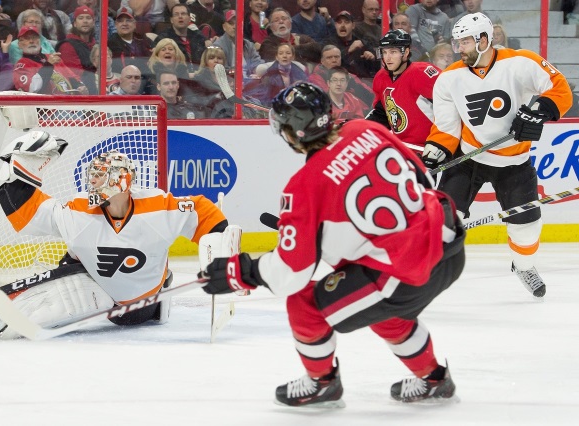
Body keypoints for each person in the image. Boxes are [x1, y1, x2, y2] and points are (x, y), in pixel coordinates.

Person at [198, 82, 465, 407]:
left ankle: (322, 382)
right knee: (380, 310)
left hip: (408, 275)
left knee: (305, 300)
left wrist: (244, 270)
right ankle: (435, 379)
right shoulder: (365, 127)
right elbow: (421, 177)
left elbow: (290, 274)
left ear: (293, 135)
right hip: (448, 242)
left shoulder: (305, 187)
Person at [0, 133, 234, 339]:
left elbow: (202, 210)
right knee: (75, 286)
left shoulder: (159, 208)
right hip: (91, 280)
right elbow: (30, 213)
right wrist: (16, 167)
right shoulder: (80, 211)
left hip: (140, 307)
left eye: (102, 180)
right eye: (94, 179)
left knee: (109, 302)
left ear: (123, 182)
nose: (95, 186)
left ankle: (163, 284)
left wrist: (222, 252)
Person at [422, 13, 573, 297]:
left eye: (465, 41)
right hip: (468, 159)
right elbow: (446, 126)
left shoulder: (520, 62)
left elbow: (559, 87)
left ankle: (524, 265)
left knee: (527, 227)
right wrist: (437, 149)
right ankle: (429, 269)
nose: (460, 48)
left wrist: (540, 109)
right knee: (444, 217)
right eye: (457, 43)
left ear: (483, 39)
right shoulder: (449, 78)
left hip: (514, 161)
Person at [366, 29, 440, 152]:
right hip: (402, 148)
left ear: (405, 52)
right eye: (384, 52)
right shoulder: (380, 77)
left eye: (393, 52)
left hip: (430, 148)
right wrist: (361, 129)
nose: (387, 57)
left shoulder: (422, 73)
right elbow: (382, 113)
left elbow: (450, 108)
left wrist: (441, 143)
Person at [13, 25, 88, 94]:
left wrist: (80, 86)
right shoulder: (21, 65)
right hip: (45, 106)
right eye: (27, 38)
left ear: (40, 41)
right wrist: (48, 66)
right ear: (19, 44)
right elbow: (31, 89)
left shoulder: (52, 58)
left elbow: (72, 77)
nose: (31, 41)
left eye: (34, 37)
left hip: (68, 104)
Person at [308, 44, 374, 107]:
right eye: (329, 58)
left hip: (360, 110)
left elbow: (370, 94)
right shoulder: (315, 78)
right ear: (322, 61)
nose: (334, 60)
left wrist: (355, 86)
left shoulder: (349, 75)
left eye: (336, 57)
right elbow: (329, 99)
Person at [258, 8, 321, 72]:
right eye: (276, 20)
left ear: (290, 22)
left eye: (284, 19)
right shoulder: (267, 44)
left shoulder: (301, 38)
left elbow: (316, 50)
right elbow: (278, 61)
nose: (281, 22)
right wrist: (303, 54)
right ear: (271, 27)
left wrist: (287, 52)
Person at [245, 42, 308, 106]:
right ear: (277, 57)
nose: (284, 56)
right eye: (281, 53)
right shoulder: (268, 76)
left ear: (293, 57)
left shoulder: (301, 74)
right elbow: (266, 101)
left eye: (288, 53)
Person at [152, 3, 208, 75]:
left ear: (189, 19)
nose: (180, 17)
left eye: (183, 14)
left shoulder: (198, 37)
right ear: (171, 20)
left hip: (200, 76)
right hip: (177, 76)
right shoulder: (163, 38)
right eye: (176, 14)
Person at [322, 10, 379, 80]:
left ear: (353, 25)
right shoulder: (329, 43)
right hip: (339, 81)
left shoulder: (361, 42)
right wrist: (348, 50)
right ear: (335, 25)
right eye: (339, 22)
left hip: (362, 83)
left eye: (346, 22)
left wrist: (372, 57)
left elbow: (379, 62)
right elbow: (332, 63)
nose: (342, 25)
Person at [55, 5, 98, 94]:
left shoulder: (96, 45)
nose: (85, 21)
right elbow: (76, 76)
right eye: (81, 18)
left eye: (88, 18)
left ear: (93, 22)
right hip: (83, 95)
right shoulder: (67, 45)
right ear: (74, 23)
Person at [213, 10, 265, 79]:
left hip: (249, 82)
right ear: (224, 27)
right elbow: (220, 70)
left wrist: (259, 70)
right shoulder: (218, 46)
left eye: (237, 23)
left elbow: (258, 62)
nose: (234, 26)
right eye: (231, 23)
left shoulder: (248, 45)